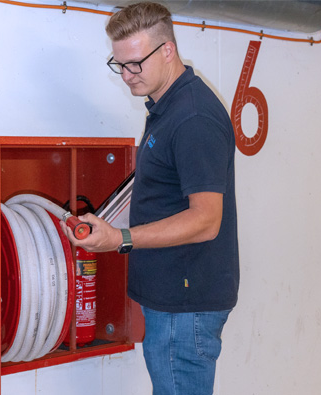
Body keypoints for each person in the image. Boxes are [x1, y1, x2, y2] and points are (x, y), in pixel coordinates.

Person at [61, 2, 239, 394]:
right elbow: (165, 193)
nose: (126, 75)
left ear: (168, 51)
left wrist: (121, 239)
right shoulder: (166, 106)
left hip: (185, 304)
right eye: (119, 64)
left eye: (135, 64)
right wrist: (108, 225)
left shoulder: (193, 117)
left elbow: (206, 220)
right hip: (171, 298)